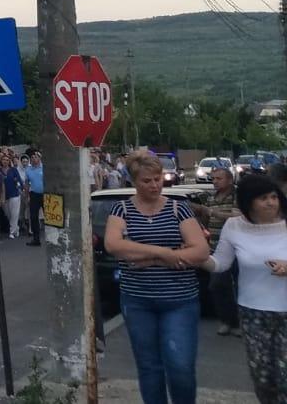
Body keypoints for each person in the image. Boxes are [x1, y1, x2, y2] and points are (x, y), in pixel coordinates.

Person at [104, 150, 210, 404]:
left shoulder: (178, 208)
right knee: (149, 367)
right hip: (138, 300)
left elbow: (201, 250)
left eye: (157, 178)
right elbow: (113, 245)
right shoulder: (121, 209)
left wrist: (141, 256)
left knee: (180, 366)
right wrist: (165, 253)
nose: (154, 185)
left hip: (180, 301)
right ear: (133, 181)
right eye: (146, 180)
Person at [200, 173, 287, 404]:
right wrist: (195, 256)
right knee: (263, 379)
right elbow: (220, 264)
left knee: (285, 379)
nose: (271, 202)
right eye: (263, 199)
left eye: (273, 197)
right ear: (248, 202)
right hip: (253, 313)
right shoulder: (234, 226)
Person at [198, 166, 242, 337]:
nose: (215, 181)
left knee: (239, 286)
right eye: (213, 178)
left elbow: (236, 217)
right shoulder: (211, 198)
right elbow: (206, 220)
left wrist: (212, 212)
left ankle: (238, 322)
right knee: (217, 285)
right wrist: (202, 213)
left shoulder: (236, 196)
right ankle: (225, 320)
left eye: (219, 178)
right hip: (216, 249)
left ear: (230, 180)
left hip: (237, 248)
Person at [23, 151, 45, 247]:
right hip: (34, 195)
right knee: (33, 217)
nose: (33, 159)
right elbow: (27, 184)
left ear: (39, 158)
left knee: (49, 217)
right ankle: (36, 239)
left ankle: (54, 237)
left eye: (36, 157)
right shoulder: (28, 170)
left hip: (45, 195)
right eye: (32, 157)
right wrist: (27, 196)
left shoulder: (44, 167)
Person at [0, 153, 23, 239]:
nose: (5, 161)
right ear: (1, 161)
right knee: (8, 214)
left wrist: (19, 186)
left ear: (9, 161)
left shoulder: (13, 170)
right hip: (4, 196)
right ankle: (16, 228)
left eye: (7, 160)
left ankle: (12, 232)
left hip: (14, 194)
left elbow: (19, 181)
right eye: (3, 160)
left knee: (14, 214)